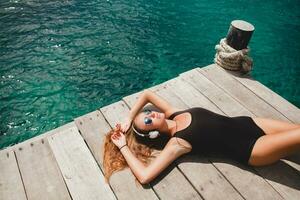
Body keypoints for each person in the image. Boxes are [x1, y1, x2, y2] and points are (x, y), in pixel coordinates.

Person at [103, 89, 300, 185]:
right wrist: (123, 146)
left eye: (147, 114)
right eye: (147, 121)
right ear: (153, 133)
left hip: (249, 123)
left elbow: (147, 95)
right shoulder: (177, 142)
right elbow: (145, 177)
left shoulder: (174, 113)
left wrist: (129, 117)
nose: (150, 114)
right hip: (252, 147)